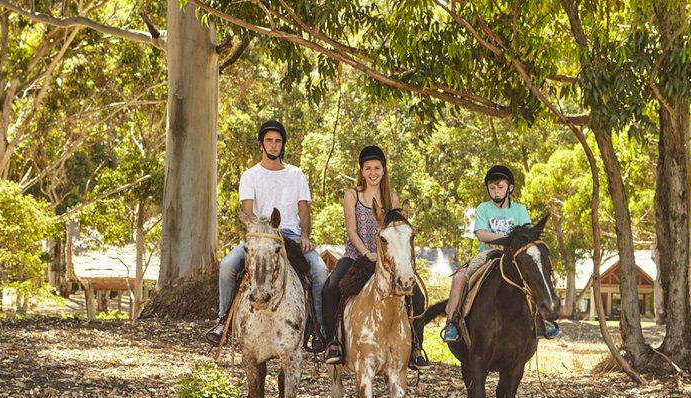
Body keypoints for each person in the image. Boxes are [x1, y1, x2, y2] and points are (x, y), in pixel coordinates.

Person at [205, 120, 329, 348]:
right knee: (227, 266)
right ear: (261, 144)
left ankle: (320, 329)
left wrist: (305, 236)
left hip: (290, 234)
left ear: (283, 146)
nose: (274, 145)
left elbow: (303, 209)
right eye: (269, 141)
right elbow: (248, 211)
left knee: (320, 271)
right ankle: (224, 321)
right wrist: (256, 232)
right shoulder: (250, 175)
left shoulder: (296, 174)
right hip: (260, 235)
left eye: (278, 141)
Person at [322, 145, 431, 370]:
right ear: (361, 171)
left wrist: (391, 256)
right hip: (358, 255)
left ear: (384, 170)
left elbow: (397, 230)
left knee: (417, 296)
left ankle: (416, 347)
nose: (373, 172)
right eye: (368, 168)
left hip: (389, 258)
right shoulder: (352, 195)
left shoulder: (392, 197)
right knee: (331, 288)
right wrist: (367, 253)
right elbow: (352, 230)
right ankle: (333, 341)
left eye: (377, 168)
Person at [441, 164, 559, 341]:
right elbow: (481, 234)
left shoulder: (520, 209)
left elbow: (528, 234)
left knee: (535, 275)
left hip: (514, 256)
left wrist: (516, 241)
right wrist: (509, 238)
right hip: (487, 254)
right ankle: (452, 322)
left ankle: (541, 320)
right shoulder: (484, 208)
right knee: (459, 277)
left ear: (510, 188)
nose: (496, 191)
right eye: (492, 188)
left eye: (501, 187)